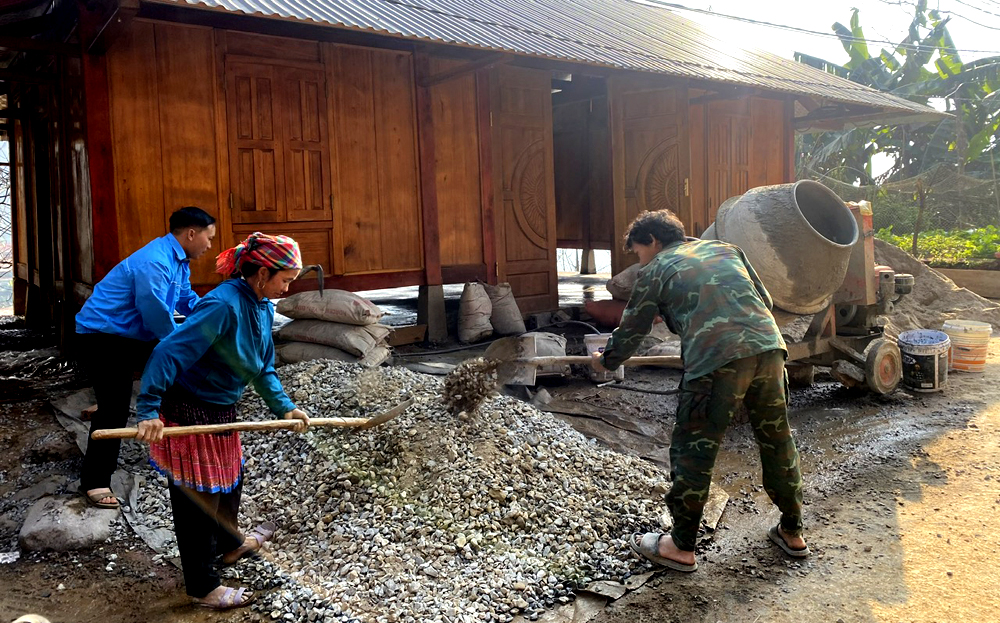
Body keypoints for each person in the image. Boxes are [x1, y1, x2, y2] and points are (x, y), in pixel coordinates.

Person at [591, 209, 808, 572]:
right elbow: (764, 302)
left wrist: (606, 360)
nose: (639, 259)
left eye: (638, 251)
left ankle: (680, 545)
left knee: (694, 448)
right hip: (769, 349)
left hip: (715, 361)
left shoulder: (656, 268)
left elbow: (632, 330)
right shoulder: (726, 250)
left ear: (654, 242)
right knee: (777, 440)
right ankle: (793, 530)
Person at [133, 232, 311, 611]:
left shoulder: (262, 305)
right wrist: (148, 409)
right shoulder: (222, 306)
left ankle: (230, 546)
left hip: (221, 408)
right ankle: (202, 585)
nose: (288, 287)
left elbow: (263, 367)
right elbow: (168, 352)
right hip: (189, 408)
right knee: (198, 500)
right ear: (262, 273)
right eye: (286, 279)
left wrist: (284, 408)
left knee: (230, 481)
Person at [76, 206, 217, 509]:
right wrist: (179, 346)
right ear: (191, 234)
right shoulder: (155, 260)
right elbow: (154, 310)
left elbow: (185, 299)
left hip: (132, 333)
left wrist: (214, 316)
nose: (209, 245)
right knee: (114, 408)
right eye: (208, 238)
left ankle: (181, 449)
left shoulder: (179, 262)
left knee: (181, 371)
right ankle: (94, 480)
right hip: (103, 335)